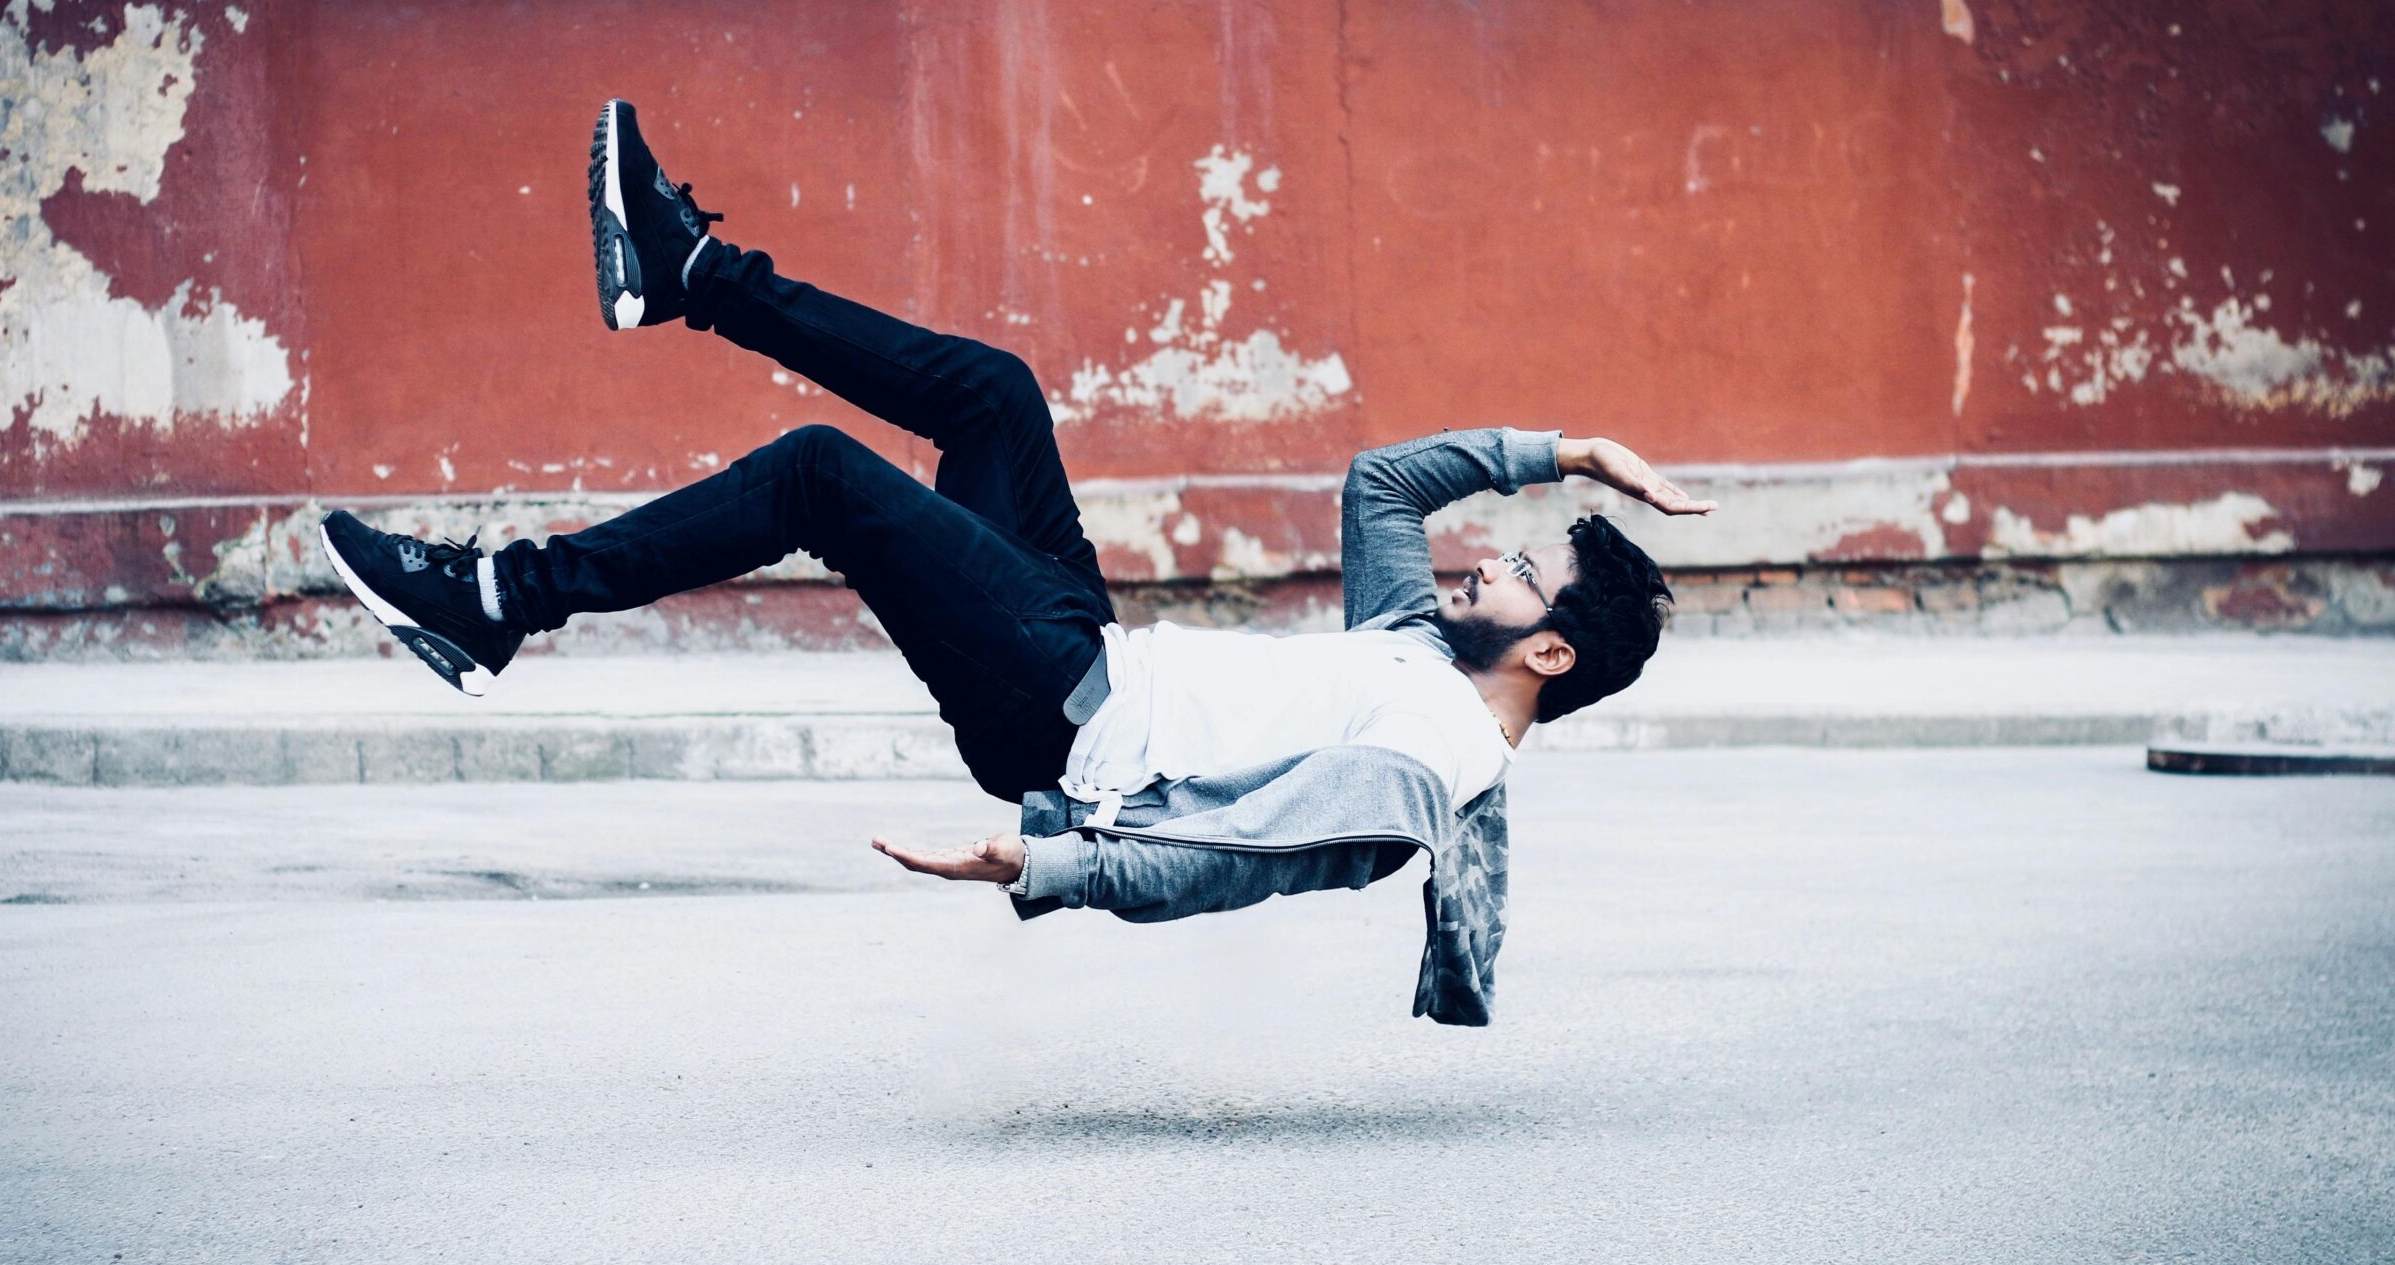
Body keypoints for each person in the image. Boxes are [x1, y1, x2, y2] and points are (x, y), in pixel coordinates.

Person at [320, 100, 1713, 1024]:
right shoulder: (1417, 645)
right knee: (996, 391)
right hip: (1081, 638)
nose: (1479, 570)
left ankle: (493, 601)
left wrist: (1046, 860)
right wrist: (1573, 450)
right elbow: (1384, 482)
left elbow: (1234, 859)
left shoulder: (1431, 764)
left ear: (1550, 650)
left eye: (1516, 578)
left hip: (1063, 714)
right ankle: (688, 276)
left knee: (820, 474)